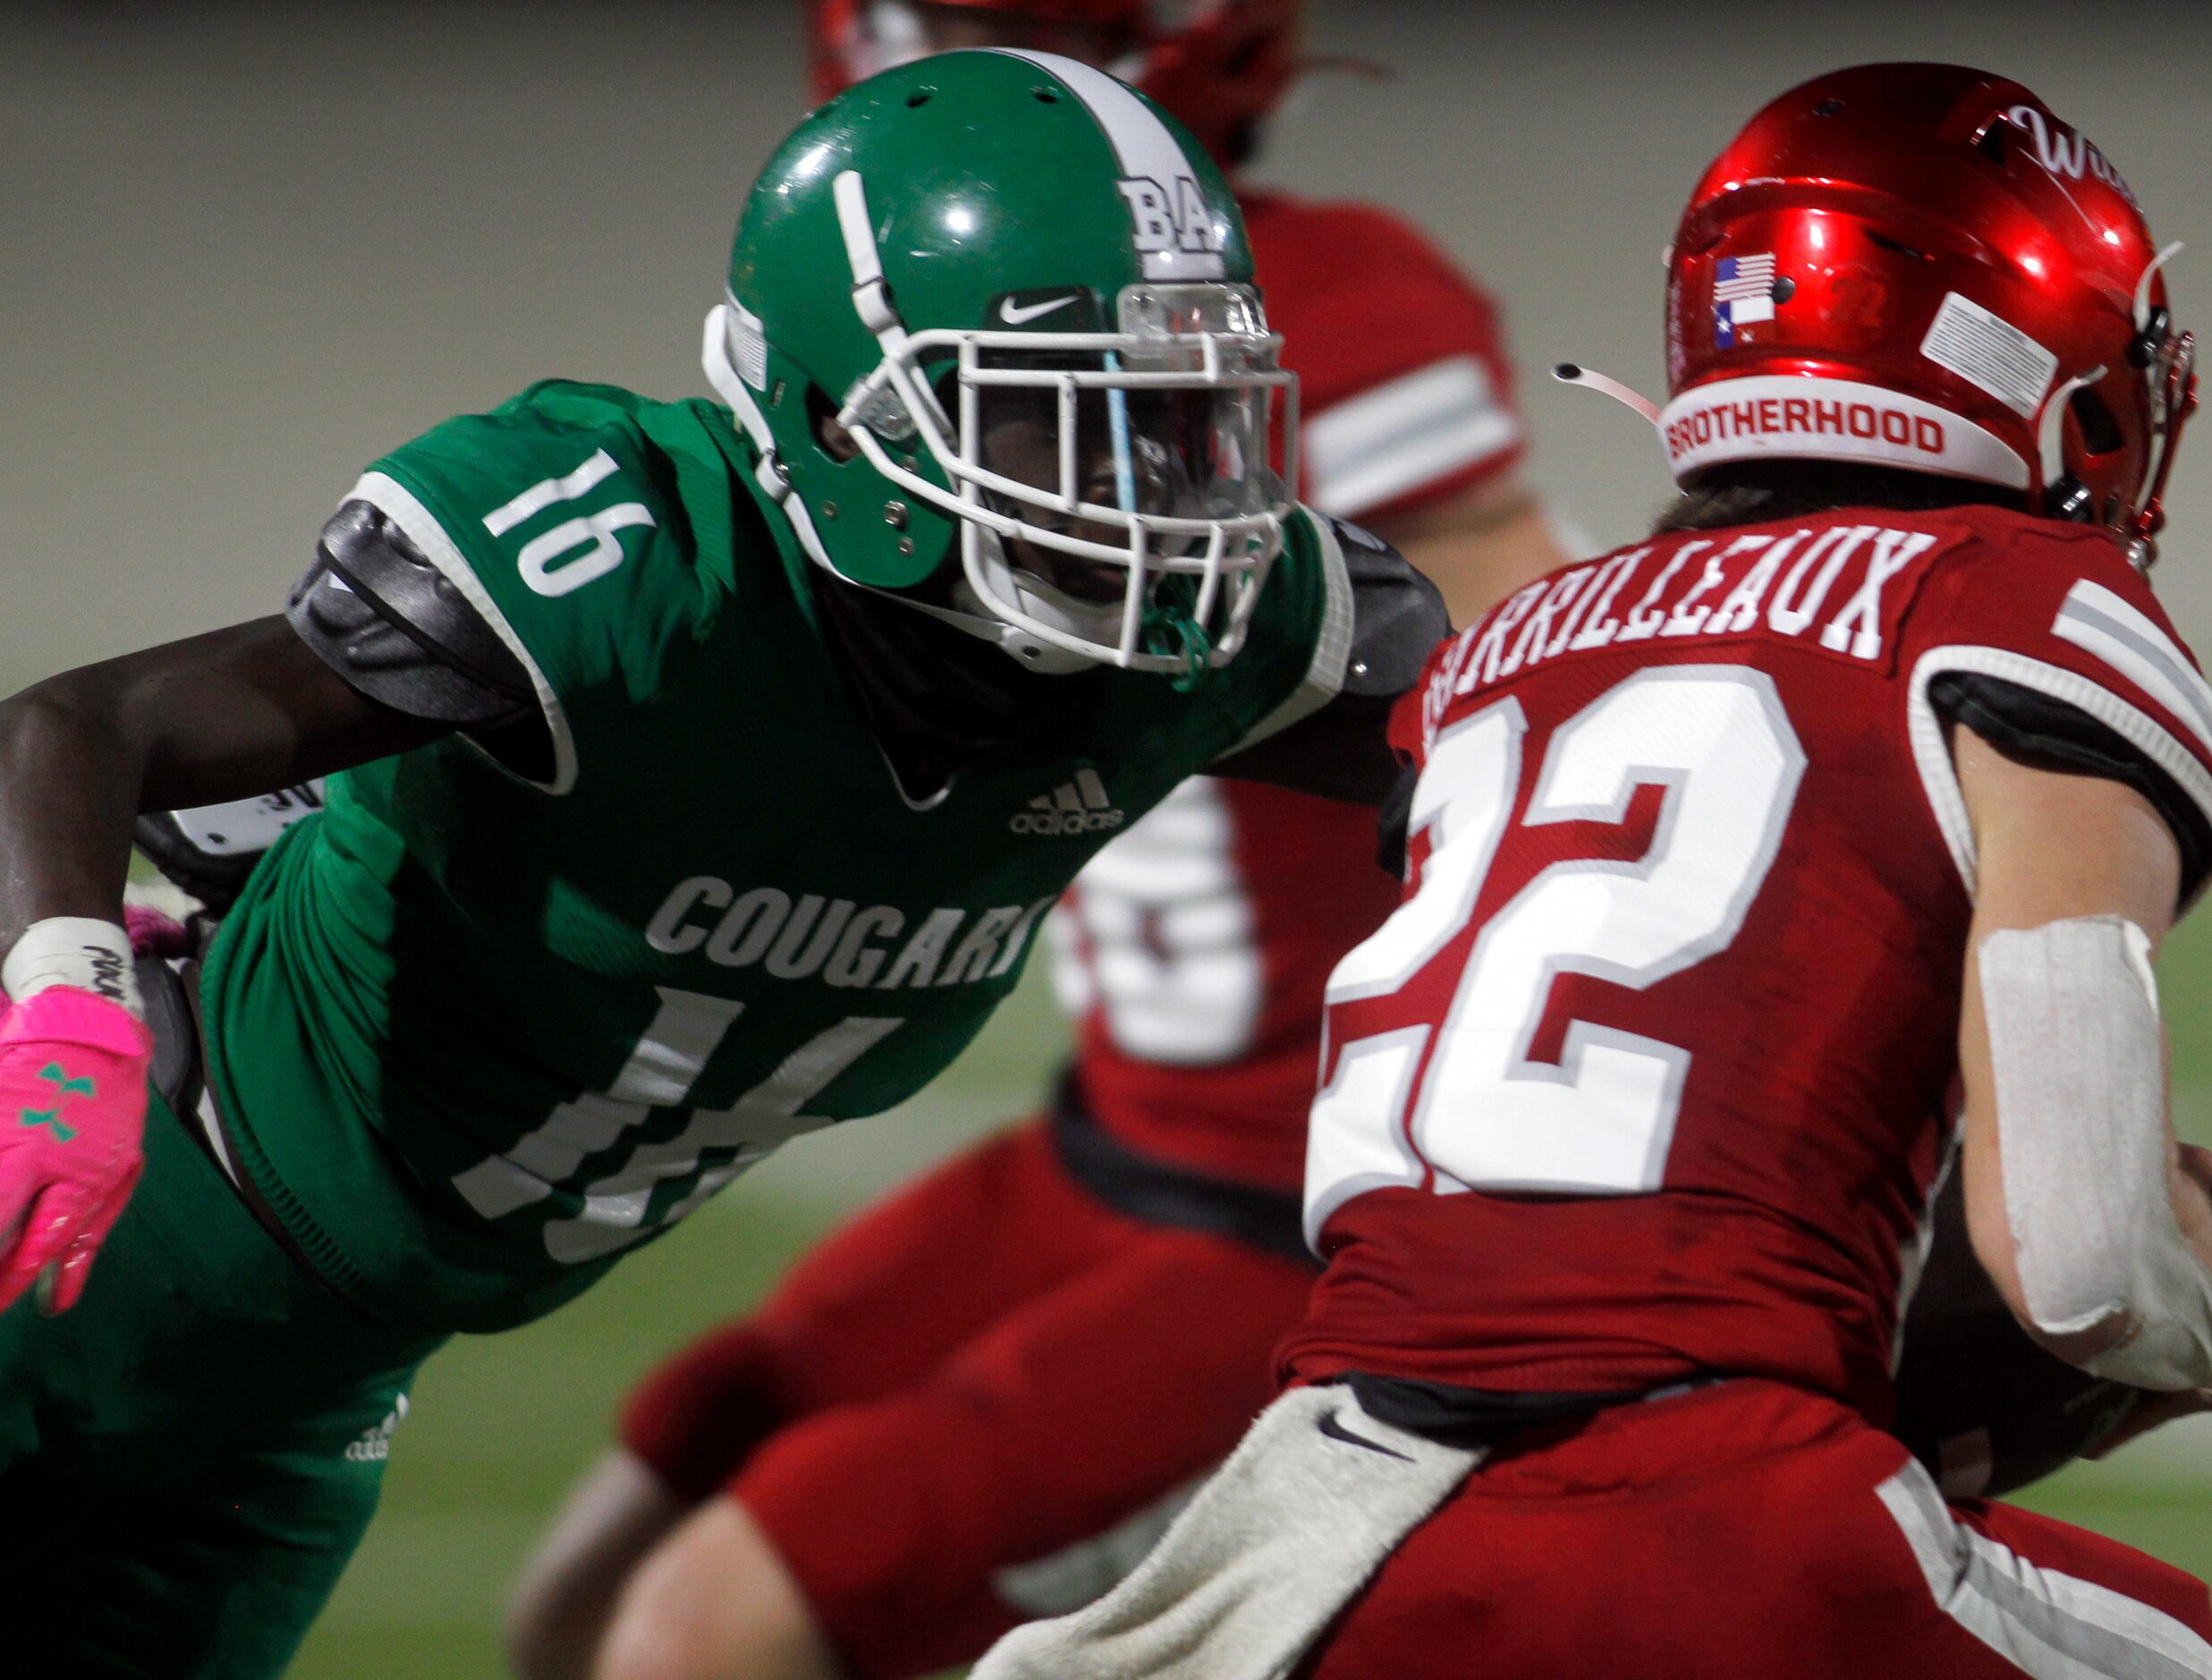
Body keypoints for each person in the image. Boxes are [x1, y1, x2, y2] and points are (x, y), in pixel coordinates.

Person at [510, 15, 2212, 1680]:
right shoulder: (2016, 599)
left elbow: (1681, 714)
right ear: (2035, 363)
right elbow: (2076, 1265)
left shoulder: (1512, 654)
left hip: (1328, 1503)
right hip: (1695, 1502)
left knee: (639, 1588)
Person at [0, 51, 1451, 1680]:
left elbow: (1564, 733)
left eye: (1176, 417)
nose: (1148, 494)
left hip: (293, 1405)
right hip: (85, 1247)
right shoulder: (637, 569)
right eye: (1063, 421)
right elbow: (68, 730)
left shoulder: (1217, 644)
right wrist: (63, 1019)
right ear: (842, 416)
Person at [505, 9, 1566, 1680]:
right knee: (599, 1568)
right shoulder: (929, 268)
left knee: (699, 1633)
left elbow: (1529, 714)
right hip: (1117, 1138)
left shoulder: (1331, 298)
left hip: (1290, 1203)